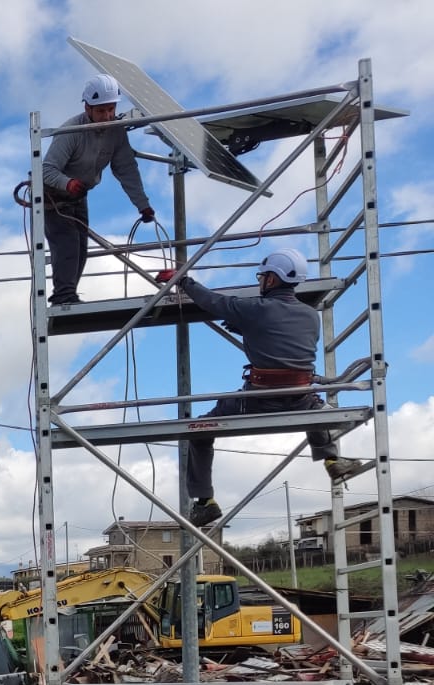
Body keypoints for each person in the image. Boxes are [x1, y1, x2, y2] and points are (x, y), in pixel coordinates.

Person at [171, 248, 368, 527]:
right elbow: (285, 344)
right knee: (314, 406)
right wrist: (250, 330)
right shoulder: (311, 315)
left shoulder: (254, 308)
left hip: (259, 398)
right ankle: (332, 460)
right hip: (301, 397)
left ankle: (205, 501)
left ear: (272, 280)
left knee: (201, 430)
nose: (259, 282)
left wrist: (183, 280)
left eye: (262, 277)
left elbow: (212, 301)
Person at [42, 73, 155, 305]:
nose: (107, 116)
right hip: (54, 196)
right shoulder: (71, 131)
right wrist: (68, 183)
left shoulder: (116, 132)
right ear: (88, 107)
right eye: (101, 110)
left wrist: (142, 204)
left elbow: (126, 169)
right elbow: (47, 170)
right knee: (67, 244)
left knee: (81, 249)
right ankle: (64, 298)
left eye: (111, 109)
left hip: (79, 196)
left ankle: (68, 295)